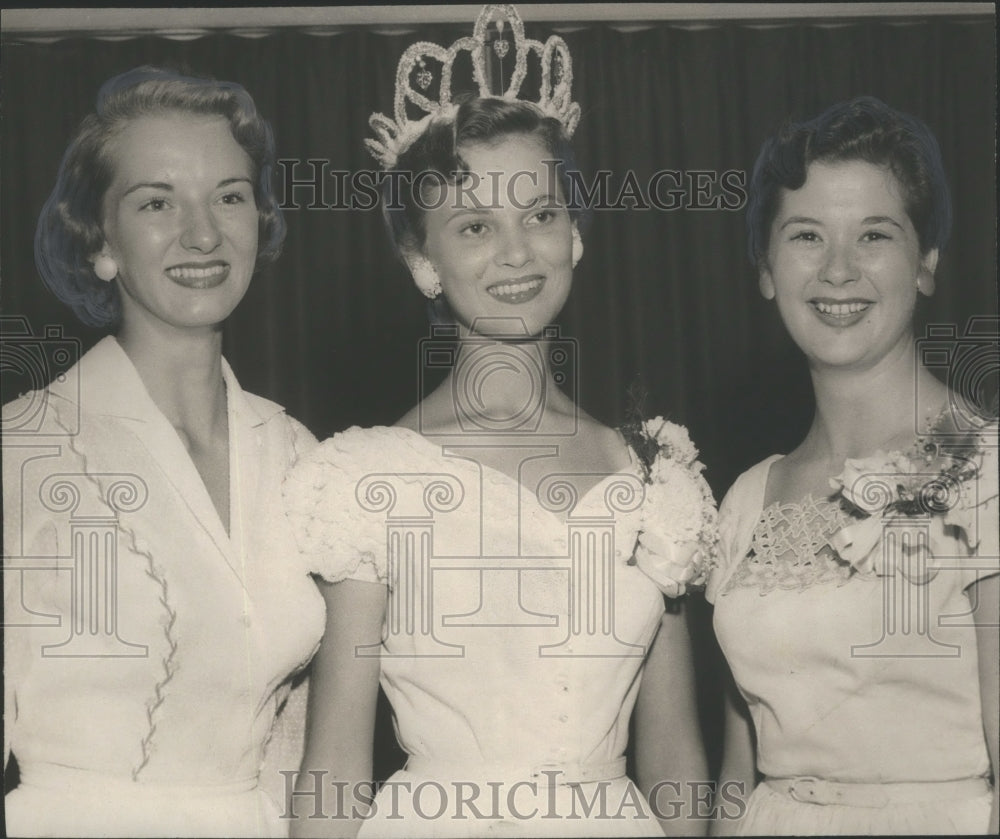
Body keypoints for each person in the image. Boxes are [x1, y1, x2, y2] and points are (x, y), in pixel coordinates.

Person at [282, 5, 715, 837]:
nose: (516, 253)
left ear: (576, 234)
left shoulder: (653, 479)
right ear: (422, 263)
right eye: (474, 226)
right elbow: (333, 763)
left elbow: (674, 759)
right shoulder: (370, 480)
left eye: (540, 215)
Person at [2, 66, 322, 837]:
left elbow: (299, 742)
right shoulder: (22, 451)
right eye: (156, 201)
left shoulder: (300, 455)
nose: (203, 233)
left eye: (229, 196)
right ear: (100, 244)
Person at [708, 96, 999, 835]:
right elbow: (736, 778)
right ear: (767, 268)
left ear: (926, 260)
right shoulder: (745, 499)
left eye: (875, 234)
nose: (838, 270)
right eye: (806, 235)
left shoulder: (984, 472)